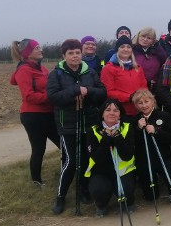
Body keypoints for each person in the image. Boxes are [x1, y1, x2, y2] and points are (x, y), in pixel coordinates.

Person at [46, 38, 107, 215]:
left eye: (77, 53)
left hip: (88, 121)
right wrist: (75, 90)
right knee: (70, 161)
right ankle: (60, 196)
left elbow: (102, 92)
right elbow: (53, 97)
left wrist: (88, 91)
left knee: (86, 159)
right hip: (67, 124)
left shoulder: (90, 72)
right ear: (64, 55)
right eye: (70, 53)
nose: (75, 56)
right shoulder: (56, 74)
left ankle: (84, 191)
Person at [10, 38, 60, 186]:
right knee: (39, 148)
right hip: (33, 116)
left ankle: (65, 172)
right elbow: (29, 95)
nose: (41, 50)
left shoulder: (42, 68)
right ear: (28, 53)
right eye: (37, 48)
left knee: (63, 144)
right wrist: (51, 97)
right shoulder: (24, 70)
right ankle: (36, 181)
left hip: (49, 113)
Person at [84, 99, 136, 218]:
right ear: (102, 114)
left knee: (126, 190)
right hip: (101, 171)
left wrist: (117, 138)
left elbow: (128, 155)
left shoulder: (127, 127)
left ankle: (127, 201)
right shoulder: (92, 130)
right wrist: (106, 140)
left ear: (120, 114)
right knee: (98, 189)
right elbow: (96, 158)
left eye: (115, 110)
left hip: (123, 170)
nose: (111, 113)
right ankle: (101, 205)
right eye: (108, 110)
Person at [132, 89, 171, 207]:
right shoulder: (134, 120)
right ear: (136, 105)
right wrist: (139, 129)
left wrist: (156, 131)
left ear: (152, 101)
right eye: (140, 103)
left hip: (163, 156)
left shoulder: (164, 115)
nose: (144, 105)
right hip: (145, 159)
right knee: (151, 196)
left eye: (146, 101)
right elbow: (133, 141)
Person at [100, 36, 147, 119]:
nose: (126, 49)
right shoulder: (109, 68)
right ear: (117, 49)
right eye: (122, 47)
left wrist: (143, 98)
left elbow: (144, 87)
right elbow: (108, 91)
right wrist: (129, 97)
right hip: (120, 111)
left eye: (128, 47)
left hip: (138, 109)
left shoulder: (138, 67)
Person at [132, 27, 167, 93]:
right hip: (136, 89)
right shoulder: (131, 51)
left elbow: (163, 68)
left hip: (154, 89)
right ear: (138, 36)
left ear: (153, 40)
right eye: (143, 36)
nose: (145, 39)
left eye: (149, 38)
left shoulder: (159, 52)